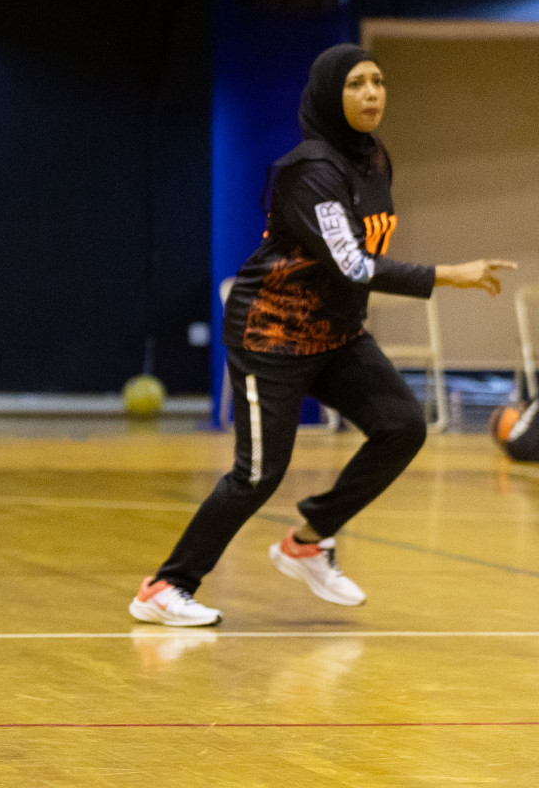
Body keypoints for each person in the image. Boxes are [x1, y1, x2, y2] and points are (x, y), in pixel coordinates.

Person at [130, 44, 517, 627]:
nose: (372, 94)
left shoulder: (374, 158)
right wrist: (449, 276)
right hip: (271, 334)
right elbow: (353, 263)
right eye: (357, 84)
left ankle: (308, 541)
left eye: (379, 81)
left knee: (402, 427)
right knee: (258, 474)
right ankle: (165, 586)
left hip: (334, 334)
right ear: (329, 96)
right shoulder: (310, 170)